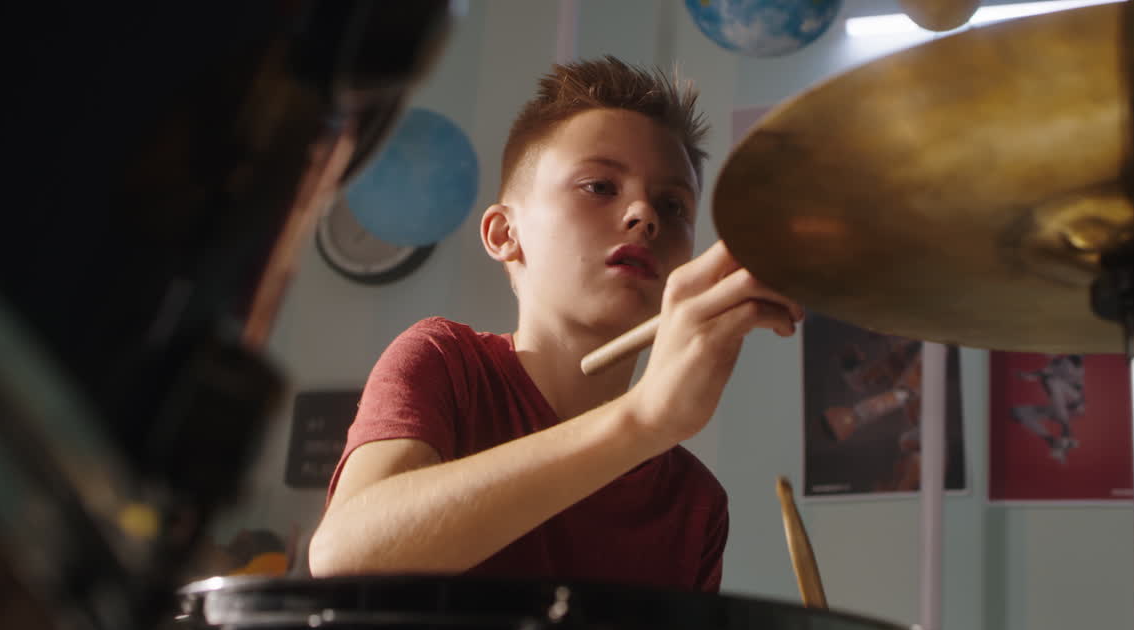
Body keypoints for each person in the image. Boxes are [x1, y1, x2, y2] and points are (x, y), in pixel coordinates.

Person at [307, 56, 802, 592]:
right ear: (504, 234)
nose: (645, 214)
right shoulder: (446, 362)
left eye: (674, 205)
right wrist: (642, 422)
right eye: (599, 186)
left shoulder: (695, 504)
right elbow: (345, 556)